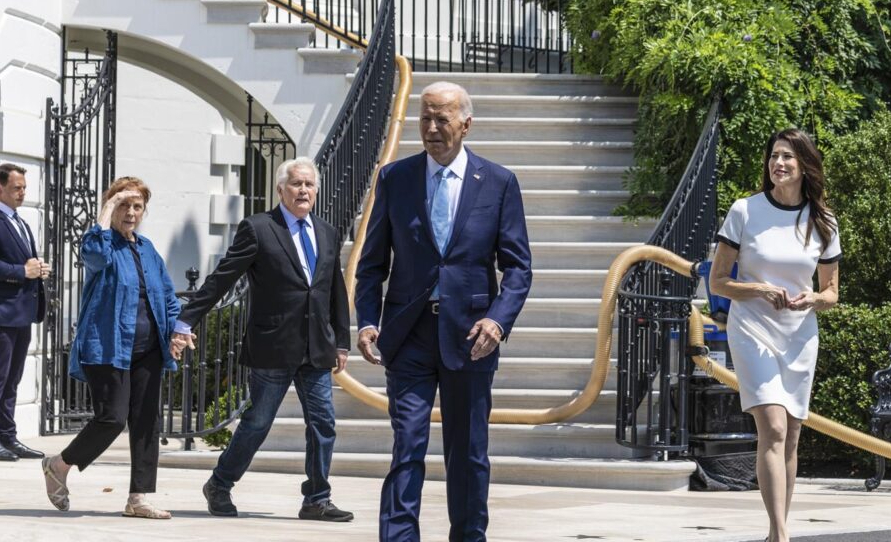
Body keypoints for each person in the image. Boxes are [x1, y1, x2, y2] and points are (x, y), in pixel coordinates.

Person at [355, 81, 532, 542]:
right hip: (408, 334)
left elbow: (517, 268)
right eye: (425, 118)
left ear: (466, 124)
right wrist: (368, 321)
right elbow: (372, 264)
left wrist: (498, 320)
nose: (432, 129)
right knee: (407, 446)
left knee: (468, 451)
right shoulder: (395, 178)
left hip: (471, 337)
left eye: (442, 120)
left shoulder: (498, 182)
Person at [170, 158, 353, 522]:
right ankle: (219, 485)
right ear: (281, 189)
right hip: (273, 345)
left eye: (309, 185)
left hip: (316, 346)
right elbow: (223, 277)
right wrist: (186, 319)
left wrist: (342, 341)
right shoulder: (258, 228)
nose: (304, 190)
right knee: (258, 422)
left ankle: (317, 498)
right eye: (297, 184)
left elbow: (334, 290)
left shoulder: (327, 232)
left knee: (323, 423)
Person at [708, 129, 841, 542]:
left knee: (792, 435)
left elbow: (833, 293)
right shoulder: (745, 211)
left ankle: (774, 531)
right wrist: (760, 290)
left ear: (804, 165)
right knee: (774, 427)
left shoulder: (824, 221)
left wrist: (812, 299)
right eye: (773, 156)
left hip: (799, 334)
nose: (777, 164)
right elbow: (717, 282)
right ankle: (781, 535)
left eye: (786, 157)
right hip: (751, 327)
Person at [39, 177, 181, 518]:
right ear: (112, 208)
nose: (130, 213)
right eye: (123, 206)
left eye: (136, 206)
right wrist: (104, 210)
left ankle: (139, 498)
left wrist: (177, 330)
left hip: (148, 348)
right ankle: (59, 465)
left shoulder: (147, 249)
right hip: (107, 345)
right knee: (112, 419)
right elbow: (91, 253)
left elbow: (168, 296)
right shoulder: (102, 245)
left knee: (147, 421)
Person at [0, 163, 49, 461]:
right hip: (0, 313)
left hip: (22, 312)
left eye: (24, 188)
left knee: (13, 377)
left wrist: (37, 269)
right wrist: (22, 270)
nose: (22, 193)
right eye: (16, 188)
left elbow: (22, 264)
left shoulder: (20, 222)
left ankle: (8, 436)